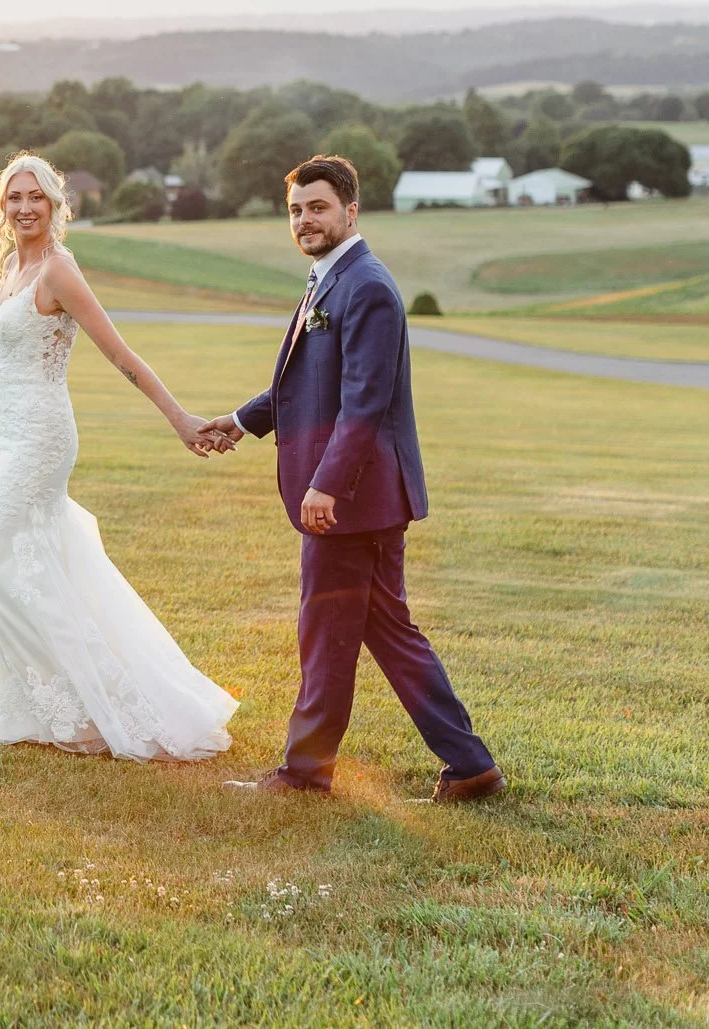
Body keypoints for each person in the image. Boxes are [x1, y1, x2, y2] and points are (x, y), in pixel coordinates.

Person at [0, 152, 238, 761]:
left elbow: (120, 354)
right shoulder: (12, 266)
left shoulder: (59, 272)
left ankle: (81, 715)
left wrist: (179, 418)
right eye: (13, 198)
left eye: (34, 197)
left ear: (54, 204)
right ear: (1, 207)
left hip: (41, 438)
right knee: (38, 572)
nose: (23, 208)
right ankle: (62, 706)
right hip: (5, 438)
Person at [210, 155, 505, 802]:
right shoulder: (329, 280)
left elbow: (364, 399)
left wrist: (327, 484)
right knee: (386, 632)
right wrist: (240, 419)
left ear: (350, 210)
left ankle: (304, 774)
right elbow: (306, 382)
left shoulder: (365, 284)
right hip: (356, 499)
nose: (305, 220)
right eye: (295, 210)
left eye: (317, 207)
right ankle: (470, 766)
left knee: (326, 631)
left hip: (355, 500)